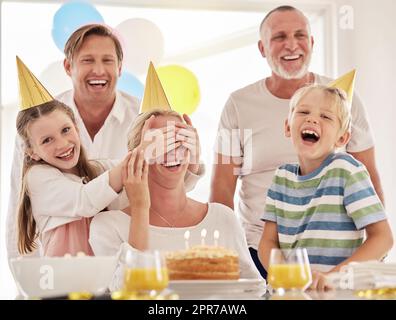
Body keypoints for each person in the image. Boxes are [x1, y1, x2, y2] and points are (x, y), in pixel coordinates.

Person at [209, 5, 384, 278]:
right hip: (261, 252)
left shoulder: (344, 101)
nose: (291, 44)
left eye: (300, 35)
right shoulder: (238, 105)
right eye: (279, 37)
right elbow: (221, 186)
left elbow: (369, 176)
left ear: (312, 42)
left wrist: (371, 256)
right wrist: (227, 254)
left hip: (337, 256)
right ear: (262, 47)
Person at [7, 24, 203, 259]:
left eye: (107, 60)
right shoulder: (38, 139)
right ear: (69, 67)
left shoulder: (138, 120)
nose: (98, 70)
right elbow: (79, 200)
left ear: (120, 67)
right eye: (88, 60)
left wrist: (189, 162)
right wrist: (24, 278)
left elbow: (159, 187)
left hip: (118, 263)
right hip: (59, 277)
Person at [89, 110, 261, 281]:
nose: (173, 151)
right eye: (160, 143)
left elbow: (254, 290)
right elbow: (129, 290)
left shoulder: (223, 219)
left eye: (181, 140)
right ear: (137, 154)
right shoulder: (107, 227)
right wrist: (140, 208)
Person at [257, 84, 393, 290]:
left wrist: (332, 278)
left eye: (326, 117)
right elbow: (267, 242)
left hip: (337, 293)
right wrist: (285, 275)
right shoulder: (281, 177)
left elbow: (383, 238)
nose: (312, 119)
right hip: (292, 293)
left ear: (342, 138)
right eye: (303, 112)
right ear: (287, 126)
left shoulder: (347, 170)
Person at [16, 99, 130, 256]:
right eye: (47, 140)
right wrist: (138, 158)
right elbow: (85, 201)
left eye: (65, 130)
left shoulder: (99, 170)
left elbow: (133, 172)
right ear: (32, 152)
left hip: (104, 276)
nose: (62, 144)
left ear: (76, 128)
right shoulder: (37, 177)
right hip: (64, 277)